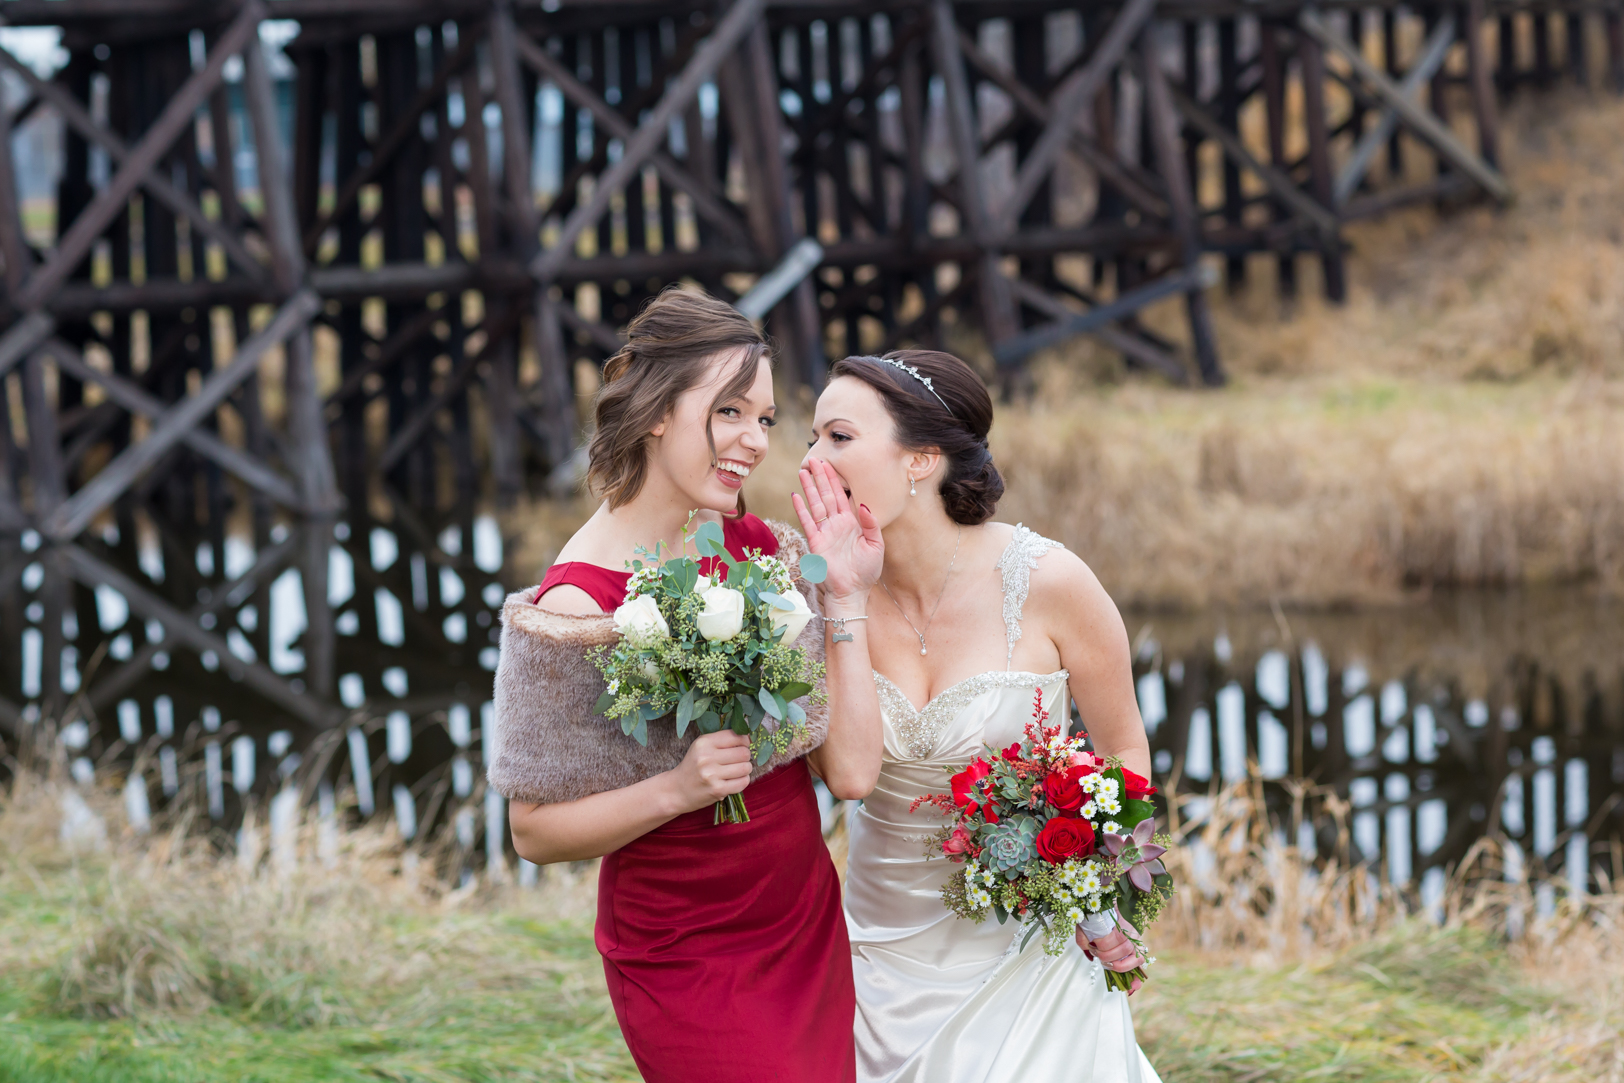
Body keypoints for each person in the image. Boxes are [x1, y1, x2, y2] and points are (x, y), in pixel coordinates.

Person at [488, 288, 884, 1083]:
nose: (754, 440)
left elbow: (842, 770)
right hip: (684, 949)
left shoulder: (744, 539)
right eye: (731, 411)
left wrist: (845, 597)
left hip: (800, 914)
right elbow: (533, 831)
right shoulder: (574, 604)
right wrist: (678, 787)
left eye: (766, 419)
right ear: (660, 408)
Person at [799, 351, 1162, 1083]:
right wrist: (840, 595)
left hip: (1026, 953)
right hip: (876, 959)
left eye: (837, 437)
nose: (810, 460)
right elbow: (845, 775)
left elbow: (1125, 753)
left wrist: (1107, 889)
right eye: (810, 437)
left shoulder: (1050, 580)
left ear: (921, 459)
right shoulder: (812, 595)